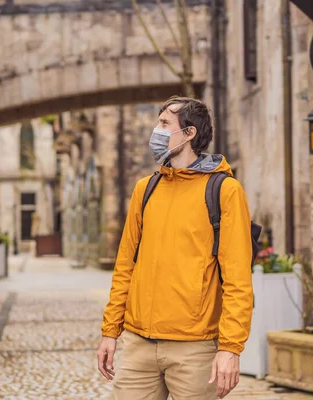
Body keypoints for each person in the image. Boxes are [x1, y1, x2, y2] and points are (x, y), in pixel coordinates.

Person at [97, 96, 253, 399]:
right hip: (138, 346)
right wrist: (110, 331)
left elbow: (238, 278)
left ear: (189, 133)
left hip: (194, 350)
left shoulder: (224, 190)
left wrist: (230, 348)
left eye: (165, 123)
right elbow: (125, 266)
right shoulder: (146, 189)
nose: (156, 130)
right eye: (158, 122)